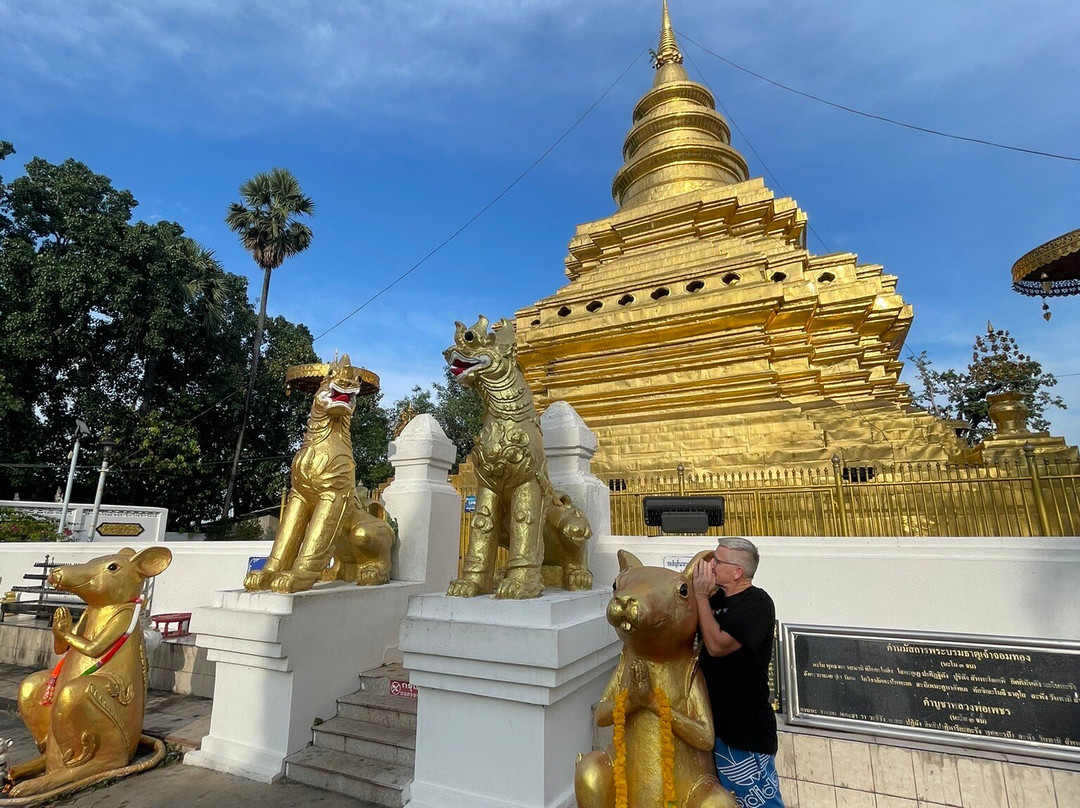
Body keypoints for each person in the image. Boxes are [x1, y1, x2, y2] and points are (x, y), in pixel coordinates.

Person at [693, 537, 785, 808]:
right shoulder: (715, 599)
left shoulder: (756, 604)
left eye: (717, 561)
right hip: (715, 728)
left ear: (737, 572)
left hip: (745, 734)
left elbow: (716, 645)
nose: (710, 565)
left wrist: (699, 596)